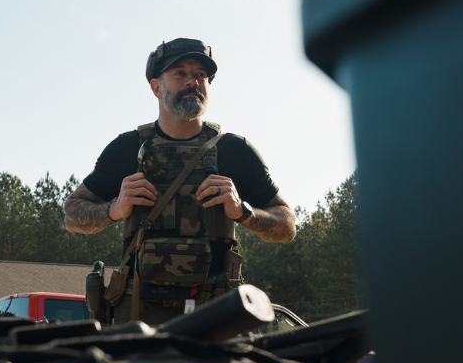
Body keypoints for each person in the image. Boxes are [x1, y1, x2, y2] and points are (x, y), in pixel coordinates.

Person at [64, 38, 296, 325]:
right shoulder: (126, 148)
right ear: (156, 87)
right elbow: (72, 215)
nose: (193, 82)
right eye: (180, 73)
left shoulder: (235, 151)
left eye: (201, 75)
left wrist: (244, 212)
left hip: (216, 313)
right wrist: (114, 209)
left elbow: (287, 226)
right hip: (139, 312)